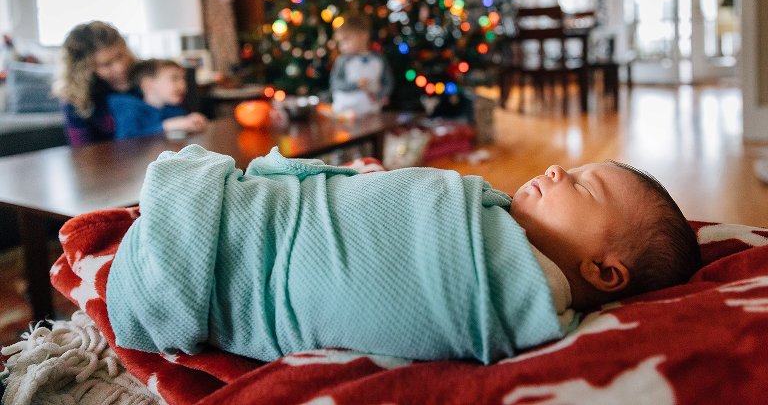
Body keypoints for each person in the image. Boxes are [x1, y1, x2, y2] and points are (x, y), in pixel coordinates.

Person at [106, 146, 701, 365]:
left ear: (603, 270)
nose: (554, 169)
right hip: (260, 217)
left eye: (581, 184)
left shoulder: (515, 288)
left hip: (231, 265)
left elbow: (378, 280)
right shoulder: (489, 215)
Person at [54, 21, 135, 146]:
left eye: (121, 55)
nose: (120, 67)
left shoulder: (144, 76)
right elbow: (81, 150)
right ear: (85, 69)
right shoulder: (76, 99)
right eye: (106, 64)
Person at [107, 59, 207, 140]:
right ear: (147, 85)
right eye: (174, 78)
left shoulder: (173, 108)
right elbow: (126, 140)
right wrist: (167, 126)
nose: (183, 85)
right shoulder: (131, 110)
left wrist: (191, 121)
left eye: (183, 79)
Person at [330, 14, 393, 116]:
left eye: (346, 40)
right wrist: (356, 85)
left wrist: (381, 95)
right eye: (340, 42)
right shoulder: (342, 60)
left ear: (363, 36)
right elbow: (335, 84)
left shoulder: (378, 60)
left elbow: (388, 82)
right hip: (345, 112)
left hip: (372, 110)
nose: (342, 46)